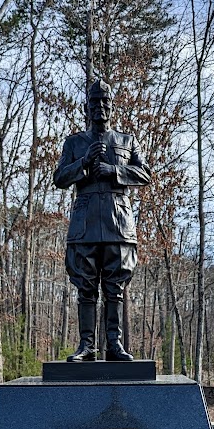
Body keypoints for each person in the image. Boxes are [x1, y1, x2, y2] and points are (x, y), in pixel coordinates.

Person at [54, 79, 151, 362]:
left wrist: (114, 170)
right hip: (85, 223)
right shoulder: (74, 143)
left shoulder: (126, 141)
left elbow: (144, 174)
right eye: (95, 102)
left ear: (112, 106)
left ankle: (114, 344)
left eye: (105, 102)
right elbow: (59, 178)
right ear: (86, 107)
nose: (100, 107)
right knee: (85, 287)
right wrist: (83, 161)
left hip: (117, 223)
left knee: (115, 288)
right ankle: (86, 345)